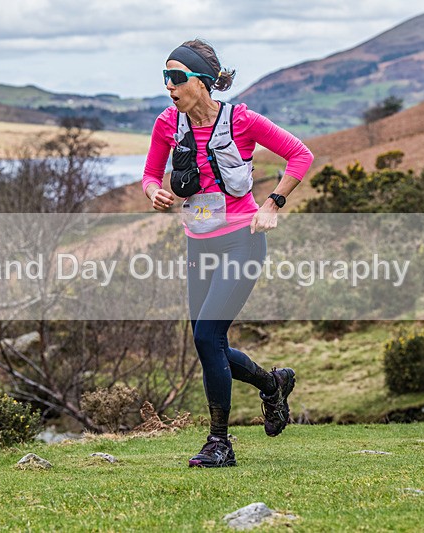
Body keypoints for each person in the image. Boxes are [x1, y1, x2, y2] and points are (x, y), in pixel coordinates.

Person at [141, 39, 314, 467]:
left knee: (206, 337)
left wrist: (273, 202)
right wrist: (154, 192)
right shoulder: (167, 123)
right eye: (165, 78)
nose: (169, 87)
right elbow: (148, 174)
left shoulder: (242, 120)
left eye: (177, 78)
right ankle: (272, 384)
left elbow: (300, 155)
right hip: (198, 242)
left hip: (242, 240)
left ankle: (220, 442)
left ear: (202, 82)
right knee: (208, 344)